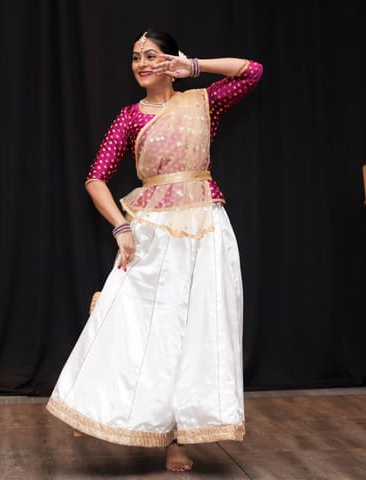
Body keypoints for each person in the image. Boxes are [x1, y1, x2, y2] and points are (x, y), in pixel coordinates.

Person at [46, 29, 262, 472]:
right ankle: (112, 411)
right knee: (147, 327)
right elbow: (95, 178)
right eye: (135, 57)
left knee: (198, 327)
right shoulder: (130, 117)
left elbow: (252, 71)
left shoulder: (202, 102)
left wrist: (195, 67)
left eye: (151, 55)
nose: (141, 63)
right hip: (153, 230)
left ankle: (178, 439)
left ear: (170, 59)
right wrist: (121, 226)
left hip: (204, 225)